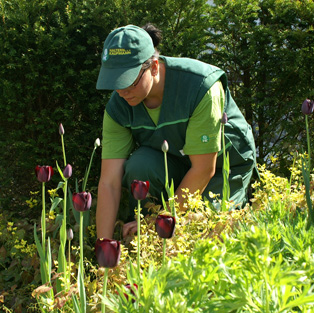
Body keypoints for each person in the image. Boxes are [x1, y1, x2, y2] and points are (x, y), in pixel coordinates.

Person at [95, 24, 257, 240]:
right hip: (176, 160)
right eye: (115, 82)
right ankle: (147, 243)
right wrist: (103, 247)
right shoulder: (118, 107)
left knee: (205, 229)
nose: (122, 91)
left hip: (222, 167)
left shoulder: (200, 86)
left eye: (129, 80)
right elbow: (109, 182)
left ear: (153, 66)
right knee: (138, 166)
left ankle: (157, 235)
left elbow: (203, 169)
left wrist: (157, 222)